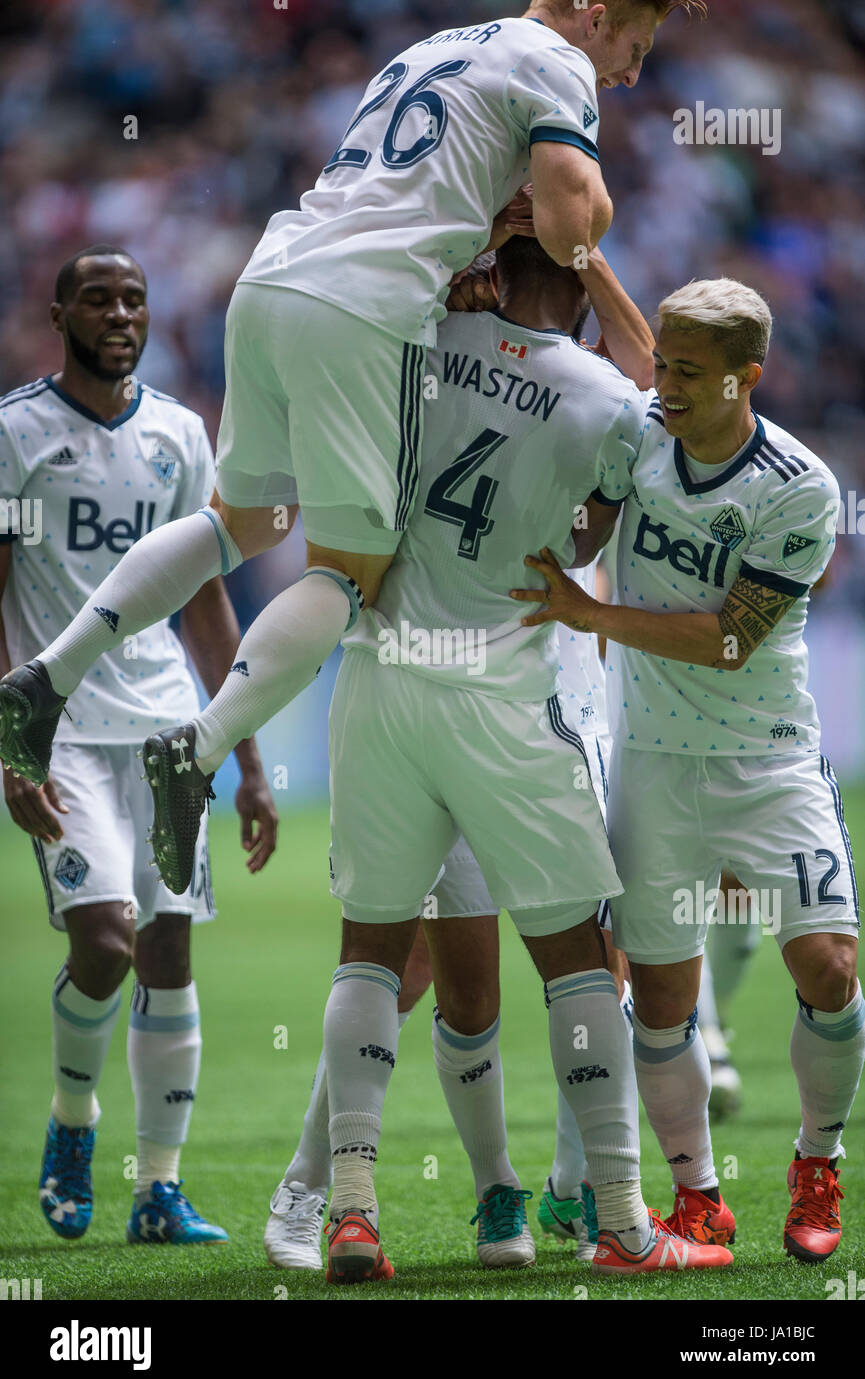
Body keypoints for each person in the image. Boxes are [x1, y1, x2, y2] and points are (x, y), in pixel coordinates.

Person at [0, 1, 703, 896]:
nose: (632, 75)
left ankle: (45, 677)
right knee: (345, 573)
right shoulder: (554, 64)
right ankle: (195, 751)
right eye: (633, 49)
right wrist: (559, 211)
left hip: (272, 278)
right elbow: (572, 233)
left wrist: (486, 225)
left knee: (237, 523)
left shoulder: (432, 47)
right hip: (362, 311)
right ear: (595, 14)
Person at [312, 233, 732, 1283]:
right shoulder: (600, 390)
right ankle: (625, 1223)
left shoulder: (411, 342)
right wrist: (595, 273)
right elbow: (640, 448)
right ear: (580, 291)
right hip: (506, 694)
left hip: (380, 675)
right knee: (574, 958)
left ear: (485, 270)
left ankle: (353, 1209)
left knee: (368, 949)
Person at [513, 278, 862, 1263]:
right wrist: (583, 261)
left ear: (747, 378)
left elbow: (726, 642)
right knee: (662, 1001)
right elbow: (624, 372)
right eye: (659, 364)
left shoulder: (797, 486)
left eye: (686, 372)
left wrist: (592, 617)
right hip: (654, 766)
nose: (661, 384)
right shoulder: (641, 433)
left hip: (770, 761)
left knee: (829, 969)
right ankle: (695, 1195)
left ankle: (815, 1158)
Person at [0, 246, 278, 1244]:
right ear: (59, 311)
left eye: (134, 299)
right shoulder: (17, 433)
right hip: (65, 729)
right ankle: (74, 1124)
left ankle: (158, 1191)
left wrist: (243, 751)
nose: (120, 313)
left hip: (167, 728)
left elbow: (203, 596)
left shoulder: (177, 436)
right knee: (106, 942)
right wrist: (11, 740)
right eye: (98, 298)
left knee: (167, 949)